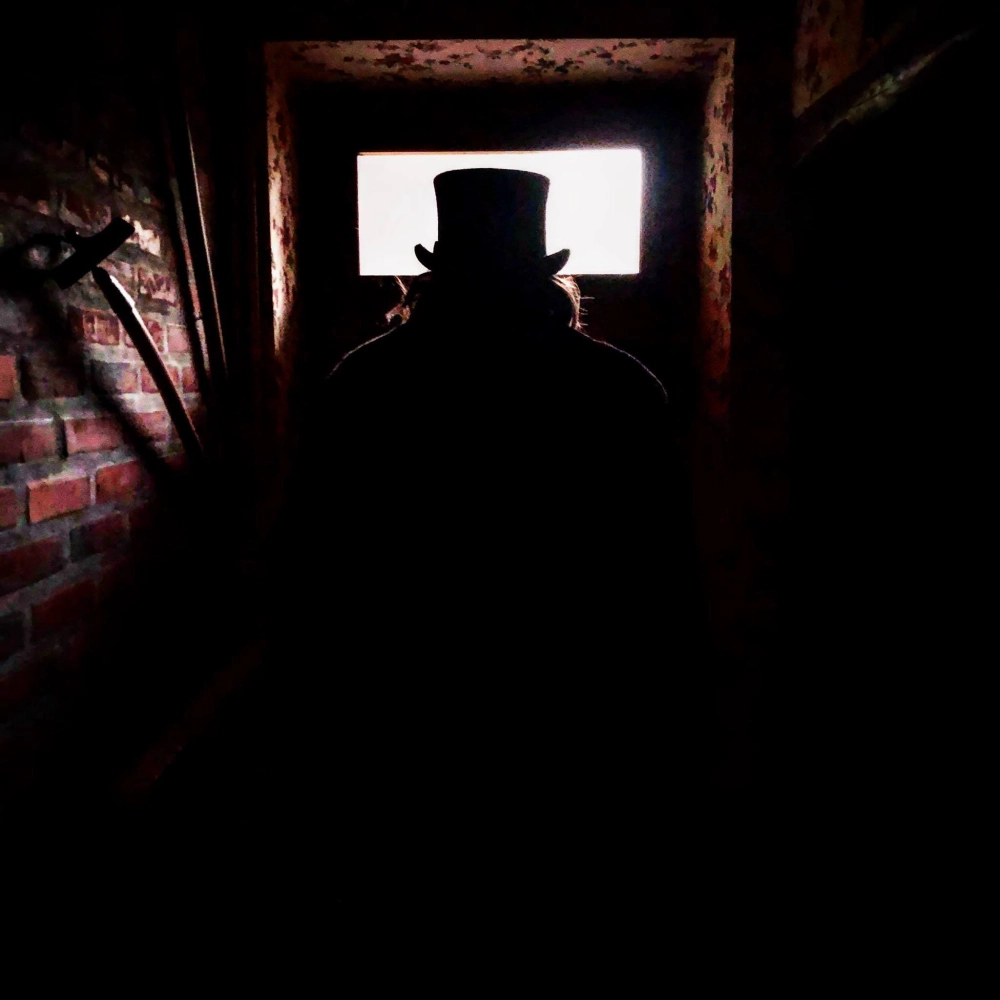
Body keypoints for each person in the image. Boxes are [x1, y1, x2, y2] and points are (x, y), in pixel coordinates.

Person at [283, 168, 702, 850]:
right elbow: (665, 575)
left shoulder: (365, 381)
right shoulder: (619, 386)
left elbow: (312, 561)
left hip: (401, 702)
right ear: (543, 271)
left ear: (435, 272)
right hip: (577, 702)